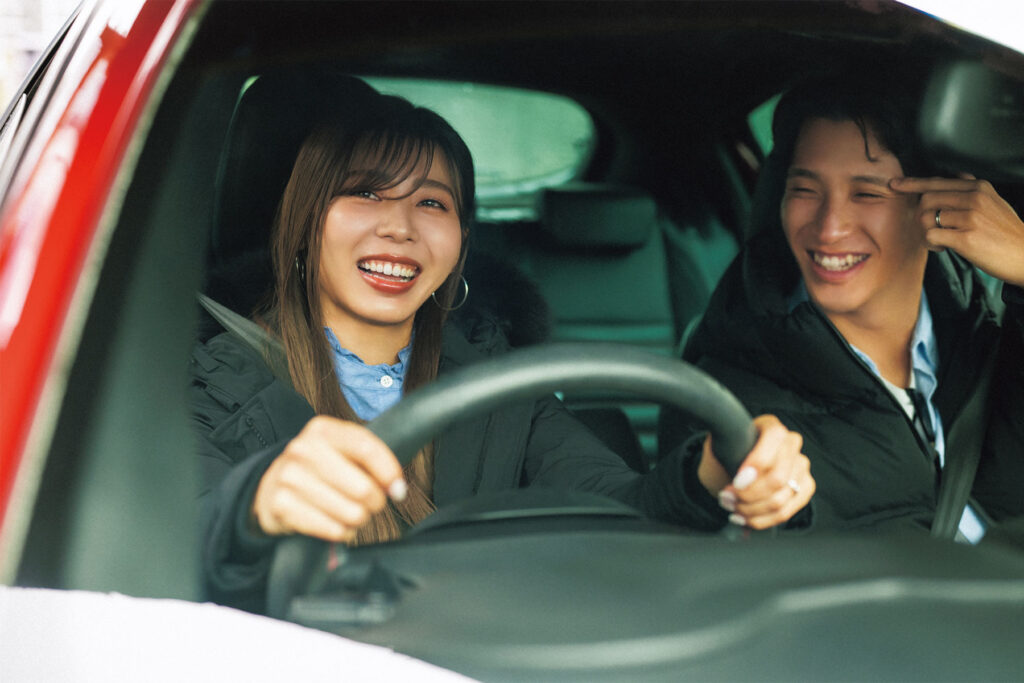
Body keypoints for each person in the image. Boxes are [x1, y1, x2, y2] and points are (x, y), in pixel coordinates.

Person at [190, 88, 814, 613]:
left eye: (431, 202)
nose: (399, 227)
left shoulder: (499, 383)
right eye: (366, 193)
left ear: (461, 242)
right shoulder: (210, 386)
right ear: (306, 222)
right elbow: (178, 540)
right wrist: (254, 507)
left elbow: (621, 508)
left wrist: (717, 476)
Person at [672, 72, 1024, 541]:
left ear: (943, 206)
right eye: (804, 190)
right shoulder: (729, 401)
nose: (829, 228)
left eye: (867, 194)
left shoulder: (987, 341)